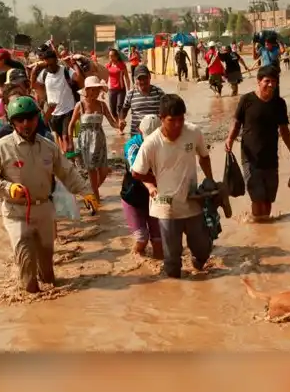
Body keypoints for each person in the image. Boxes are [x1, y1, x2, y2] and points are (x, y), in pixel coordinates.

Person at [0, 96, 96, 293]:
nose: (26, 124)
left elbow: (67, 171)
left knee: (48, 271)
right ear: (13, 122)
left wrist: (86, 193)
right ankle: (31, 295)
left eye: (30, 118)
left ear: (37, 119)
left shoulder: (48, 147)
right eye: (20, 119)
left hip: (43, 209)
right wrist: (9, 188)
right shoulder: (2, 148)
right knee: (26, 263)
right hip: (17, 212)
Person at [130, 94, 216, 279]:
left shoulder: (193, 132)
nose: (177, 124)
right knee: (172, 259)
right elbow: (136, 172)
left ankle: (197, 265)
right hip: (166, 206)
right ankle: (174, 286)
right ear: (162, 119)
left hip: (192, 200)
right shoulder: (151, 143)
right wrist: (155, 181)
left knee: (202, 249)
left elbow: (204, 156)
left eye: (181, 119)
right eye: (172, 120)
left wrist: (210, 182)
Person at [225, 66, 290, 222]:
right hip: (250, 157)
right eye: (267, 81)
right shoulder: (246, 100)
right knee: (257, 197)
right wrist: (230, 140)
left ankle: (264, 229)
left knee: (268, 199)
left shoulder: (279, 103)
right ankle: (258, 224)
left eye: (274, 82)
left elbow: (284, 130)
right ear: (258, 82)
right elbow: (236, 123)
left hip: (271, 157)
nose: (271, 85)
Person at [67, 76, 118, 202]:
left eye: (98, 90)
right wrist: (70, 143)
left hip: (100, 140)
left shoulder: (102, 105)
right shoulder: (80, 105)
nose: (96, 93)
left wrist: (119, 125)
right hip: (85, 141)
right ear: (87, 90)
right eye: (94, 90)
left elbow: (112, 122)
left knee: (104, 171)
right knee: (93, 173)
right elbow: (71, 125)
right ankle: (96, 202)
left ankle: (89, 192)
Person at [120, 115, 164, 258]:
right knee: (142, 239)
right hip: (134, 197)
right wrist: (152, 185)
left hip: (155, 197)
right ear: (139, 131)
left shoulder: (165, 143)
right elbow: (136, 172)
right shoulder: (132, 147)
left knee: (159, 241)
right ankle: (135, 259)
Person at [31, 48, 81, 153]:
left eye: (52, 64)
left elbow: (78, 78)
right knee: (58, 136)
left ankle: (68, 159)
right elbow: (34, 86)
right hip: (53, 111)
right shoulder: (44, 73)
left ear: (56, 61)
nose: (50, 67)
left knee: (65, 136)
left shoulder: (65, 70)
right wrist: (34, 71)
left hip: (68, 108)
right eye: (47, 64)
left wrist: (74, 64)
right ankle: (65, 158)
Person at [118, 65, 166, 136]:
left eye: (145, 78)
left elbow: (167, 110)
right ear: (135, 80)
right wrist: (121, 120)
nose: (143, 81)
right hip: (136, 135)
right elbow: (124, 109)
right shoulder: (131, 94)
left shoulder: (158, 92)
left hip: (155, 136)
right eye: (140, 79)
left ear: (150, 77)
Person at [106, 48, 130, 121]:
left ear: (116, 56)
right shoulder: (107, 66)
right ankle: (117, 124)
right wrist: (102, 91)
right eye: (110, 56)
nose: (111, 58)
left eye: (113, 56)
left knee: (119, 107)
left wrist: (129, 90)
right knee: (112, 110)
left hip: (121, 89)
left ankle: (120, 126)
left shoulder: (122, 65)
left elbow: (126, 77)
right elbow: (105, 78)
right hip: (111, 90)